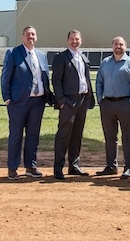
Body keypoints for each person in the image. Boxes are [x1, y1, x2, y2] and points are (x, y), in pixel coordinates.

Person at [1, 26, 53, 180]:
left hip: (38, 102)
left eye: (33, 34)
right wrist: (7, 97)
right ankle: (12, 168)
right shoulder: (13, 53)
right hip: (18, 102)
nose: (31, 36)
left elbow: (45, 77)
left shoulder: (42, 55)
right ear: (23, 36)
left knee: (33, 135)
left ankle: (31, 166)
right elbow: (5, 76)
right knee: (16, 135)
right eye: (28, 34)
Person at [95, 36, 130, 179]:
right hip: (107, 104)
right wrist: (100, 100)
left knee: (127, 136)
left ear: (125, 47)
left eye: (121, 44)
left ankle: (128, 167)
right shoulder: (105, 63)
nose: (118, 46)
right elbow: (98, 82)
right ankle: (111, 166)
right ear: (112, 46)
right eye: (115, 44)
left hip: (124, 103)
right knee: (109, 137)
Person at [52, 30, 95, 180]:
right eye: (72, 39)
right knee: (64, 135)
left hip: (83, 102)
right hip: (68, 103)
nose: (74, 41)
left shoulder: (83, 57)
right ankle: (58, 168)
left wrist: (89, 98)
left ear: (81, 40)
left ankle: (74, 166)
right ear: (67, 40)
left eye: (77, 39)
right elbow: (56, 81)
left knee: (77, 135)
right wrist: (62, 101)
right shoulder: (61, 57)